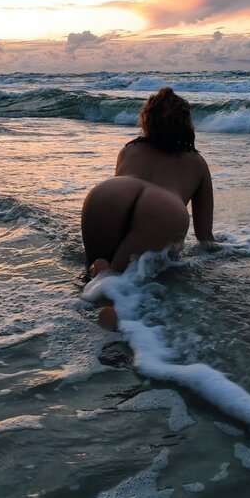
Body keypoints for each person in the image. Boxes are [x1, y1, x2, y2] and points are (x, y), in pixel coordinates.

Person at [82, 88, 214, 328]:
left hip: (107, 194)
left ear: (147, 119)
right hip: (164, 210)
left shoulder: (129, 150)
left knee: (102, 275)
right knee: (134, 281)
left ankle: (100, 271)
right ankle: (115, 313)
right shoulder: (197, 163)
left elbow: (125, 223)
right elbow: (205, 237)